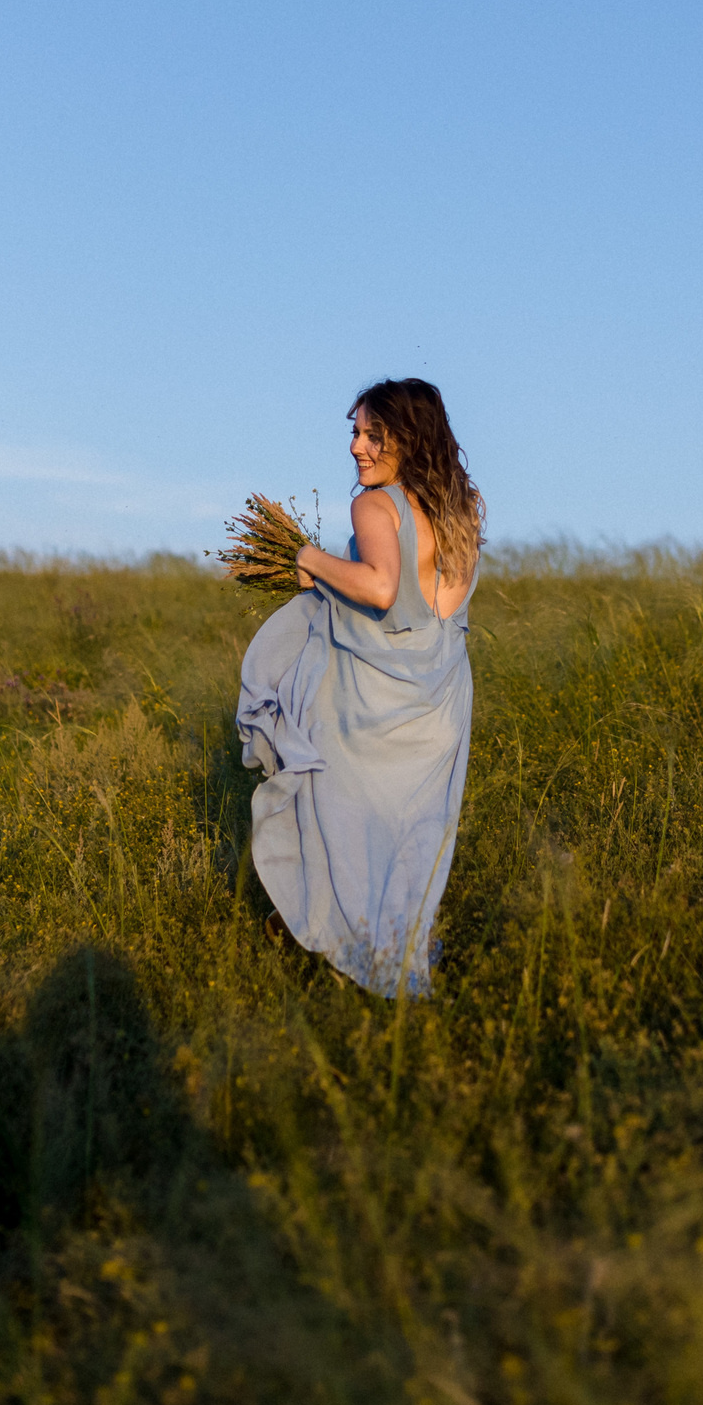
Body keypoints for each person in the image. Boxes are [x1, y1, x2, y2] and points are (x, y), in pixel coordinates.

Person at [236, 378, 483, 996]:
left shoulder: (375, 507)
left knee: (336, 820)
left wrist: (309, 558)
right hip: (437, 702)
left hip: (373, 701)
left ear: (409, 437)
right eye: (356, 433)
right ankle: (393, 958)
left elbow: (379, 588)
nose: (356, 447)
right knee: (410, 837)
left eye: (374, 434)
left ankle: (333, 942)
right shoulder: (463, 508)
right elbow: (435, 611)